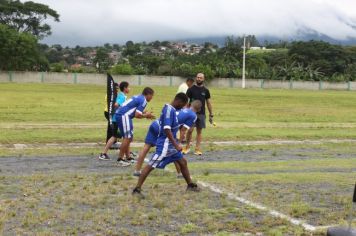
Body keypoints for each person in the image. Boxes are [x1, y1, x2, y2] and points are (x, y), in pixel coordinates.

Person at [132, 93, 199, 198]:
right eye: (182, 105)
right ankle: (137, 189)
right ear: (179, 101)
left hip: (170, 144)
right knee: (151, 165)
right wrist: (176, 145)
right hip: (165, 144)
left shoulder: (172, 109)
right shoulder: (169, 110)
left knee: (183, 162)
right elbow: (167, 129)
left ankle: (190, 185)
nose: (182, 107)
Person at [115, 87, 155, 166]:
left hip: (121, 114)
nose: (152, 97)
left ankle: (128, 157)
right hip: (124, 116)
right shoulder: (144, 100)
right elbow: (137, 115)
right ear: (148, 94)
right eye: (152, 95)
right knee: (127, 137)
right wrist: (146, 115)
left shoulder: (138, 97)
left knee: (129, 138)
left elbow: (132, 108)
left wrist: (144, 113)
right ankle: (120, 159)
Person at [99, 81, 130, 160]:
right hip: (117, 119)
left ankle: (127, 155)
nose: (130, 89)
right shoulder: (122, 96)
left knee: (123, 137)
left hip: (117, 118)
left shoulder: (121, 95)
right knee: (117, 137)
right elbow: (116, 105)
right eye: (128, 87)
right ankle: (104, 153)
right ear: (125, 88)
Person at [185, 73, 213, 156]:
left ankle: (197, 149)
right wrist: (185, 112)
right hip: (191, 113)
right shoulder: (190, 89)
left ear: (203, 79)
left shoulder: (206, 90)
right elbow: (187, 102)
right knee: (190, 130)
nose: (199, 79)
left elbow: (208, 103)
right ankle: (187, 147)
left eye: (201, 78)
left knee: (199, 131)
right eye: (197, 77)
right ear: (196, 78)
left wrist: (211, 114)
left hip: (201, 114)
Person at [174, 100, 202, 177]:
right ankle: (181, 174)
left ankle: (180, 173)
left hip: (164, 127)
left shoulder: (184, 109)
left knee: (174, 153)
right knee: (175, 153)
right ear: (199, 110)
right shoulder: (193, 115)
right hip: (168, 131)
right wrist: (178, 143)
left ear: (190, 105)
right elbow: (183, 130)